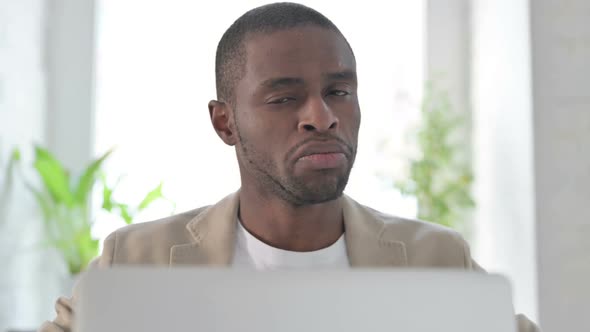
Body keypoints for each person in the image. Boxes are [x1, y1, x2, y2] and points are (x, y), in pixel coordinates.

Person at [39, 2, 539, 332]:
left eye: (339, 92)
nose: (322, 117)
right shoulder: (136, 260)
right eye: (284, 98)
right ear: (225, 123)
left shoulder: (438, 260)